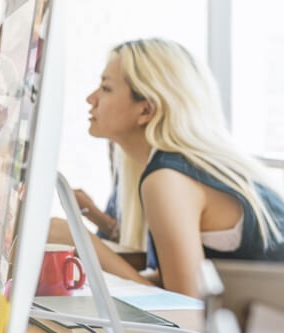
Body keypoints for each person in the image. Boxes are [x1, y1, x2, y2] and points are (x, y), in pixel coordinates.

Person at [83, 38, 284, 296]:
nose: (91, 98)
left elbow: (186, 308)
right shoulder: (180, 167)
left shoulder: (168, 178)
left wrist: (83, 245)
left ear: (146, 109)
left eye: (106, 88)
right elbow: (177, 282)